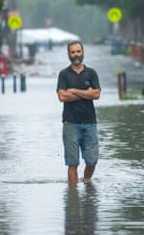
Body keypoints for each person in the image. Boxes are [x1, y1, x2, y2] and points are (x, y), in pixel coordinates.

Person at [57, 40, 101, 185]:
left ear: (83, 52)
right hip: (70, 123)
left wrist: (74, 91)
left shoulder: (91, 73)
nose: (76, 54)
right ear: (68, 54)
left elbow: (96, 95)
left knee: (92, 160)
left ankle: (87, 182)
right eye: (73, 52)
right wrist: (86, 93)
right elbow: (62, 97)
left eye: (78, 51)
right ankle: (73, 197)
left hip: (90, 122)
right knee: (72, 162)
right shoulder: (64, 75)